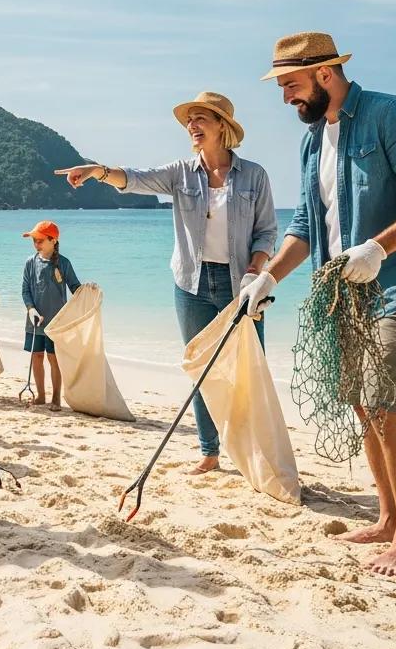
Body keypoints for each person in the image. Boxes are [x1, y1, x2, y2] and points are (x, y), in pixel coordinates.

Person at [238, 32, 396, 578]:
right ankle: (389, 518)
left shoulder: (393, 116)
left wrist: (377, 247)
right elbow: (305, 226)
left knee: (388, 410)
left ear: (325, 74)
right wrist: (266, 277)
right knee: (363, 408)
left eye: (291, 85)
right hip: (342, 296)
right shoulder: (312, 140)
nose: (285, 98)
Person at [58, 91, 276, 474]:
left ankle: (254, 451)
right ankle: (209, 452)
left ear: (222, 126)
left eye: (201, 119)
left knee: (248, 369)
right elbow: (137, 179)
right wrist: (99, 171)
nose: (192, 126)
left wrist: (255, 274)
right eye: (189, 120)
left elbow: (266, 233)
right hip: (190, 284)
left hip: (240, 284)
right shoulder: (179, 172)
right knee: (200, 368)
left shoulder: (254, 176)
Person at [21, 221, 82, 409]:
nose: (36, 244)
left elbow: (75, 288)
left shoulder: (63, 263)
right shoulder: (30, 262)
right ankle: (40, 395)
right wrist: (31, 309)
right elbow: (25, 290)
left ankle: (56, 398)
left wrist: (89, 292)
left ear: (53, 241)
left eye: (40, 240)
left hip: (56, 323)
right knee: (36, 356)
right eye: (34, 241)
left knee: (54, 358)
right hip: (34, 321)